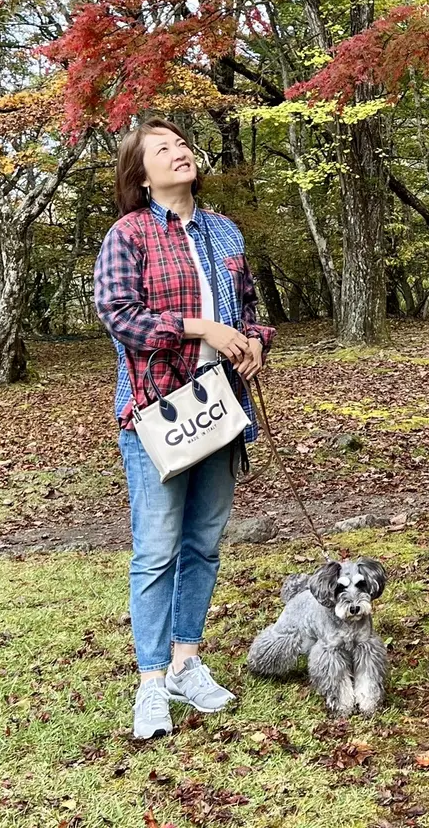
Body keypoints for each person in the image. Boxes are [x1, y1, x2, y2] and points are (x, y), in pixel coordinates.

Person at [94, 117, 276, 740]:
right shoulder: (130, 234)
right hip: (157, 415)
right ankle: (150, 683)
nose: (177, 153)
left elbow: (251, 312)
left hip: (222, 409)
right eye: (160, 150)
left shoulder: (225, 231)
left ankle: (185, 663)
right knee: (155, 551)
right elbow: (121, 318)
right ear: (140, 176)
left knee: (203, 544)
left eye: (181, 144)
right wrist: (202, 329)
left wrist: (251, 342)